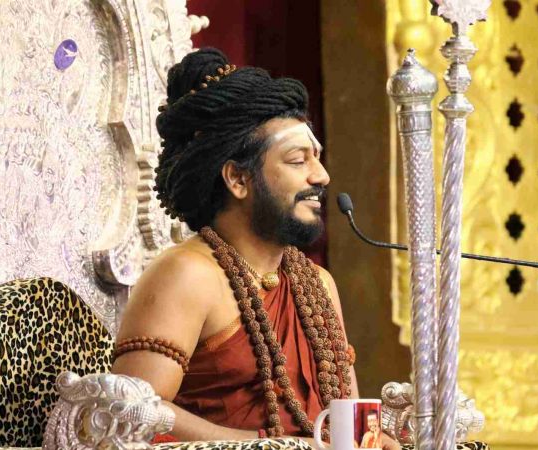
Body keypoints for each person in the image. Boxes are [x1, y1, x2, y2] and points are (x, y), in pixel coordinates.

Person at [111, 48, 399, 450]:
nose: (321, 176)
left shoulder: (318, 284)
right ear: (238, 179)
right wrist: (276, 447)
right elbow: (130, 413)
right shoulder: (187, 275)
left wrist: (373, 440)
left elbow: (345, 420)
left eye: (317, 159)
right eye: (298, 160)